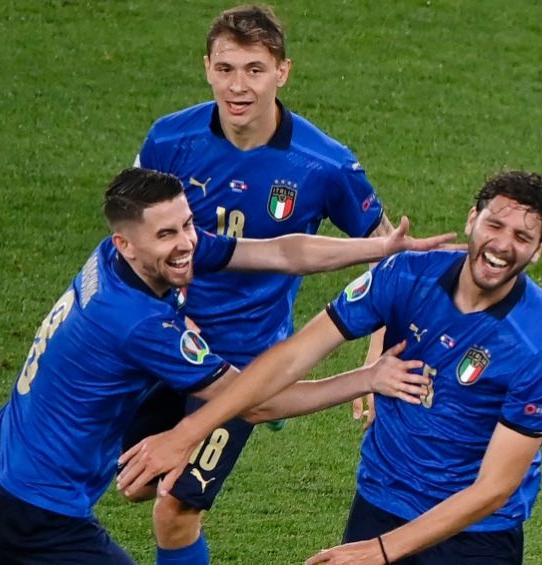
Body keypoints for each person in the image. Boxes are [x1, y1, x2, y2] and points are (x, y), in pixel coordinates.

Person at [0, 167, 451, 563]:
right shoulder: (138, 323)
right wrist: (367, 378)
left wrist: (381, 248)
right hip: (35, 513)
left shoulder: (118, 259)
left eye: (187, 223)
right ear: (127, 242)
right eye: (168, 233)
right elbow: (257, 402)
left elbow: (277, 252)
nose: (187, 241)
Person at [117, 171, 542, 564]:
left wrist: (380, 551)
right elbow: (294, 355)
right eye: (494, 224)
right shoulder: (406, 275)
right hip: (380, 500)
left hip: (476, 537)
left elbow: (494, 488)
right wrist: (185, 433)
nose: (502, 245)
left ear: (539, 250)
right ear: (472, 220)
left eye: (522, 237)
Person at [129, 4, 395, 560]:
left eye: (254, 69)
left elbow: (388, 252)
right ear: (207, 68)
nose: (239, 86)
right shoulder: (169, 140)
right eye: (226, 69)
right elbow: (130, 236)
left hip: (243, 362)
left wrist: (380, 337)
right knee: (118, 477)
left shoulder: (324, 165)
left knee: (174, 510)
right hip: (156, 339)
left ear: (283, 72)